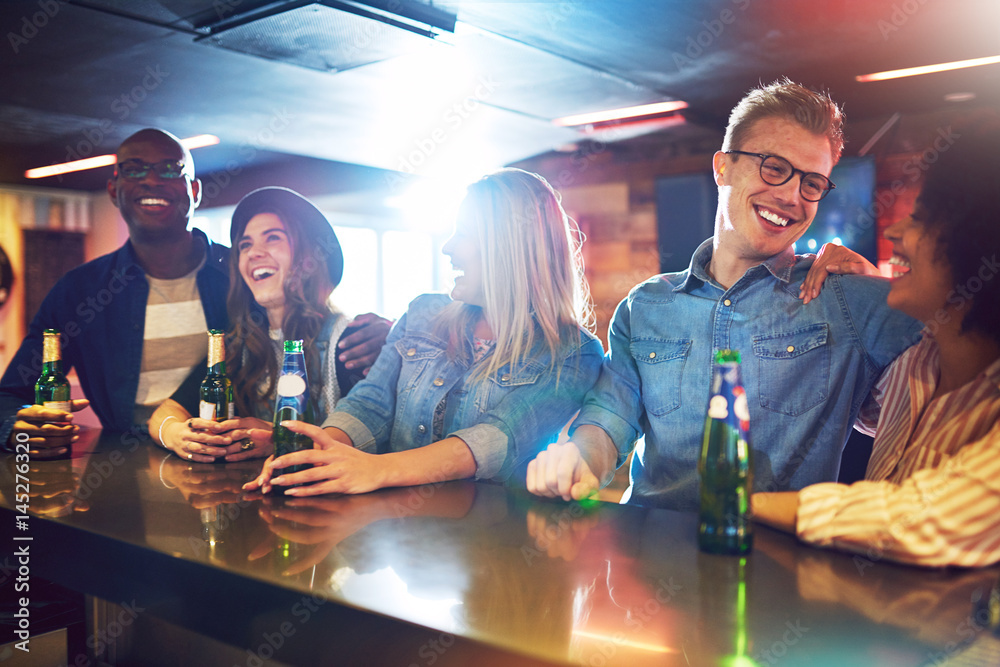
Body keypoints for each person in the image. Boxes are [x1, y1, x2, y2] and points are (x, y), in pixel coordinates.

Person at [526, 79, 923, 508]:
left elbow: (968, 346)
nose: (791, 195)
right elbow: (610, 418)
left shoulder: (845, 299)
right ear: (723, 167)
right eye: (773, 167)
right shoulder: (645, 306)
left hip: (777, 567)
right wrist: (580, 463)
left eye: (812, 183)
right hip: (650, 560)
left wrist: (883, 285)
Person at [0, 129, 388, 457]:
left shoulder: (240, 279)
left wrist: (386, 339)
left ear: (195, 191)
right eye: (135, 170)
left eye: (170, 170)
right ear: (114, 189)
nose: (152, 181)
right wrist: (16, 427)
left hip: (229, 469)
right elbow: (11, 393)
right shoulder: (80, 291)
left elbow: (309, 316)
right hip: (121, 471)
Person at [245, 168, 604, 495]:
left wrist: (376, 469)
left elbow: (497, 439)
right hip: (398, 538)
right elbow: (370, 405)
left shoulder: (573, 352)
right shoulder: (423, 312)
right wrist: (317, 452)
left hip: (494, 548)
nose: (448, 247)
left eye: (462, 234)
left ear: (509, 244)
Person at [752, 121, 1000, 567]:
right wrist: (869, 295)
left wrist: (739, 503)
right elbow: (856, 401)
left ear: (980, 243)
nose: (894, 231)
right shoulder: (916, 363)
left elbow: (923, 518)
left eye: (921, 217)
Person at [148, 187, 369, 462]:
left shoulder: (354, 342)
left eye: (273, 238)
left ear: (310, 258)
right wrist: (175, 434)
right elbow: (165, 413)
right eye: (245, 245)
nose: (254, 253)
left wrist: (277, 439)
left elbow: (373, 440)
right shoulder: (240, 343)